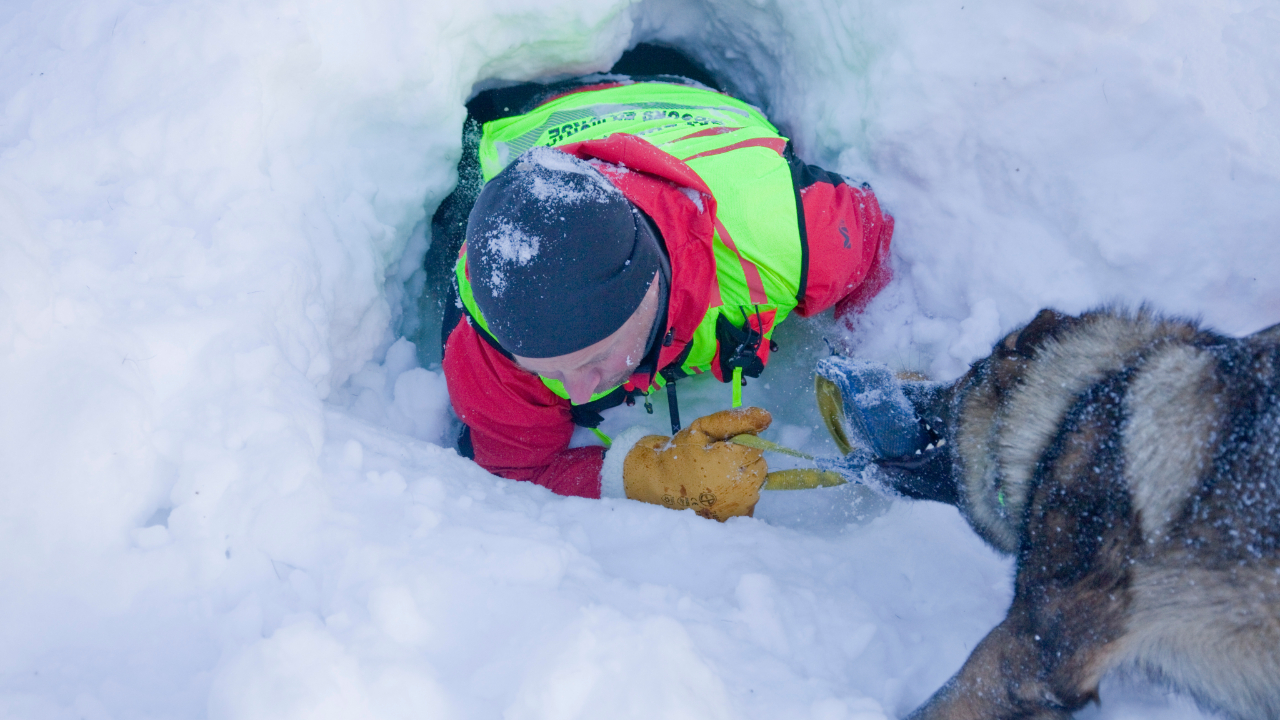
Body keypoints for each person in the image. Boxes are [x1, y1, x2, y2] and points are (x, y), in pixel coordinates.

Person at [431, 46, 895, 517]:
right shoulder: (488, 333)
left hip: (688, 96)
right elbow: (511, 472)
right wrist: (648, 476)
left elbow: (875, 236)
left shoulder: (786, 232)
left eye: (596, 358)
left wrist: (883, 378)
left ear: (649, 287)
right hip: (527, 118)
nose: (578, 392)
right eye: (546, 373)